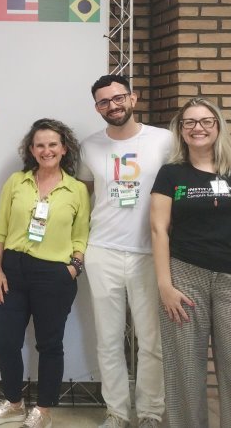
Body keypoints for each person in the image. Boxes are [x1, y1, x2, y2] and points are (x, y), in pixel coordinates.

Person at [150, 97, 231, 428]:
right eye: (189, 122)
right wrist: (165, 285)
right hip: (184, 276)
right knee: (184, 370)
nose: (197, 128)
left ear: (217, 126)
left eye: (205, 121)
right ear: (181, 130)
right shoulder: (171, 173)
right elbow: (158, 229)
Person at [0, 118, 90, 428]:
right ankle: (14, 403)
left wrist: (74, 267)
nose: (46, 150)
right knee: (6, 341)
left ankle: (43, 410)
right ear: (31, 149)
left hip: (55, 274)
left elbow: (81, 235)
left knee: (50, 344)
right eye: (40, 145)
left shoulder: (77, 189)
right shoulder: (16, 182)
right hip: (13, 270)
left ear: (64, 148)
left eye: (53, 144)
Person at [78, 75, 171, 428]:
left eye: (118, 98)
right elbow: (84, 195)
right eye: (104, 102)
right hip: (102, 251)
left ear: (133, 98)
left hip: (150, 253)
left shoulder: (163, 140)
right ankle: (116, 413)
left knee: (151, 341)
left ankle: (150, 413)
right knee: (108, 340)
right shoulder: (90, 146)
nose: (112, 106)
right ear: (97, 108)